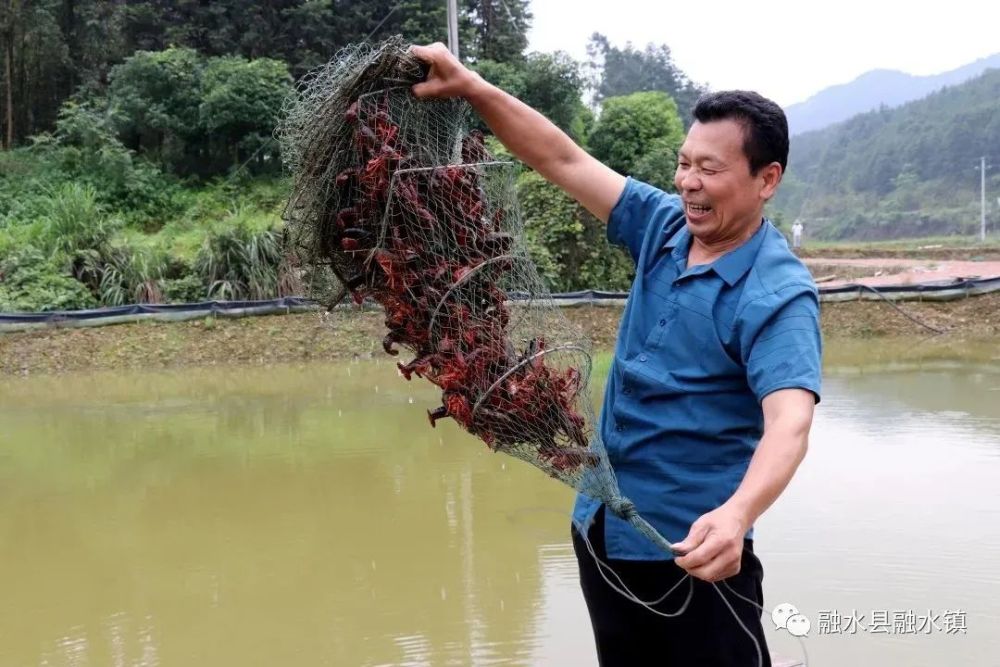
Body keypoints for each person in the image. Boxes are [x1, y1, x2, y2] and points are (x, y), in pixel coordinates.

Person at [411, 43, 822, 667]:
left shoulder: (778, 293)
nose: (688, 182)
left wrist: (738, 515)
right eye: (684, 164)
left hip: (694, 557)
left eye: (709, 169)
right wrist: (472, 87)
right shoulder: (663, 227)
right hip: (602, 536)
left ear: (767, 179)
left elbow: (789, 423)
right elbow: (562, 156)